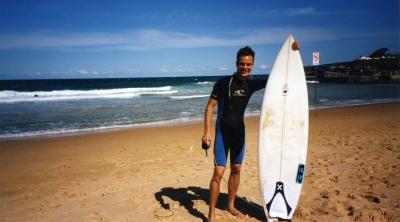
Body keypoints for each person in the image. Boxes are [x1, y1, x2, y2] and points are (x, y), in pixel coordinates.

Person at [202, 46, 267, 222]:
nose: (245, 67)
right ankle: (211, 213)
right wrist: (206, 132)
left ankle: (230, 205)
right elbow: (210, 107)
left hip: (240, 133)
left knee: (237, 169)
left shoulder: (251, 84)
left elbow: (278, 77)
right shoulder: (223, 83)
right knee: (219, 172)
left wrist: (292, 54)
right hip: (223, 133)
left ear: (252, 65)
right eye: (242, 64)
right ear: (236, 63)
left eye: (249, 64)